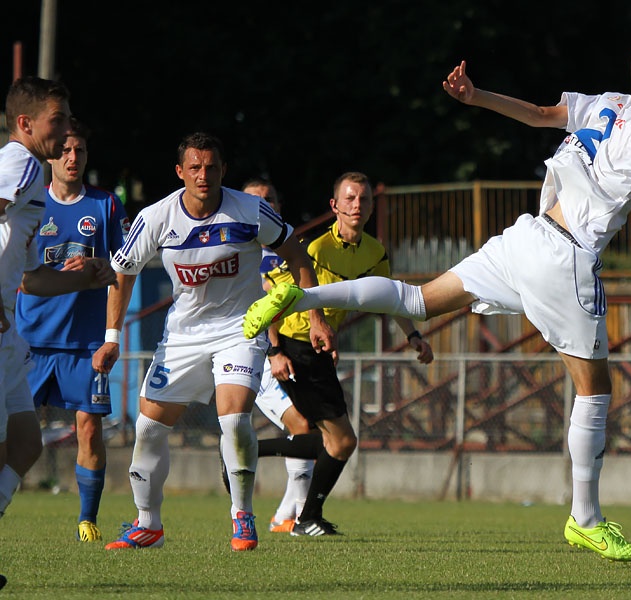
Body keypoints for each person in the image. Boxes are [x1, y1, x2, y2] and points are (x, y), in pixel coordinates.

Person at [243, 39, 631, 561]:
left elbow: (539, 114)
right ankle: (587, 520)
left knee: (416, 300)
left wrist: (475, 96)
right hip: (564, 260)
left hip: (525, 237)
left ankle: (299, 296)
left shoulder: (608, 104)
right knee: (594, 391)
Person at [92, 132, 334, 551]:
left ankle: (242, 516)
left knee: (234, 417)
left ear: (223, 170)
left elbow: (296, 254)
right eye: (195, 167)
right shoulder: (156, 218)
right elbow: (123, 272)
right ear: (180, 172)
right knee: (148, 427)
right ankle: (148, 524)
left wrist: (315, 316)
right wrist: (112, 336)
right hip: (182, 335)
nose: (204, 175)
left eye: (212, 167)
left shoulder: (250, 210)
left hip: (239, 329)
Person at [254, 171, 433, 537]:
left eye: (364, 199)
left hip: (319, 349)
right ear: (334, 206)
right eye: (349, 199)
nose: (357, 205)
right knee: (341, 440)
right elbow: (273, 299)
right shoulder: (314, 250)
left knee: (331, 439)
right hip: (295, 346)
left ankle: (248, 458)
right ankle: (305, 517)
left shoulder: (374, 251)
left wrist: (413, 335)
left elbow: (391, 298)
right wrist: (275, 350)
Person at [1, 77, 117, 530]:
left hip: (11, 333)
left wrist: (84, 280)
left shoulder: (29, 182)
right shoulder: (22, 165)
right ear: (27, 124)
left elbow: (30, 280)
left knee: (26, 444)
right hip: (10, 333)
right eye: (58, 119)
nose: (67, 128)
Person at [240, 177, 316, 533]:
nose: (262, 206)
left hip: (292, 354)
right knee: (301, 426)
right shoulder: (238, 252)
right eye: (253, 200)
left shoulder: (286, 253)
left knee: (308, 429)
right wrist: (273, 350)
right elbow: (262, 303)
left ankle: (287, 516)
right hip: (259, 358)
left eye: (268, 200)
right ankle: (300, 516)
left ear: (278, 207)